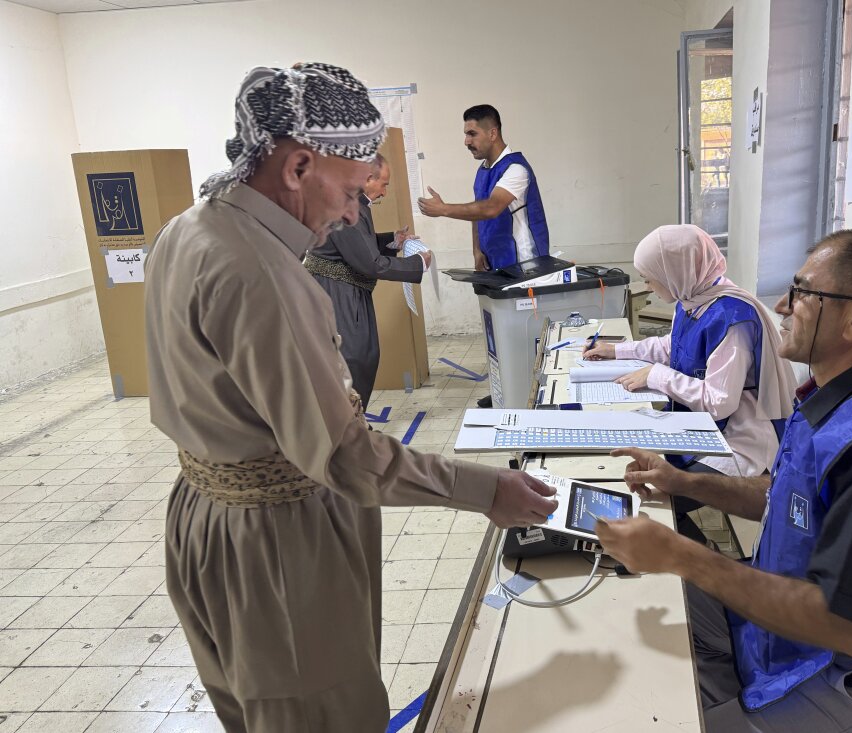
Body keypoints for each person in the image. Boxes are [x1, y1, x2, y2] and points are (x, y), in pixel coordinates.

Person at [144, 63, 557, 733]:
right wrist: (488, 491)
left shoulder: (189, 228)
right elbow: (346, 456)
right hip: (277, 547)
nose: (352, 211)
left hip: (204, 521)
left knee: (258, 711)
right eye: (350, 188)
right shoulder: (262, 275)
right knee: (324, 713)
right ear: (298, 166)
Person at [594, 229, 852, 733]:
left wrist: (682, 554)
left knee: (678, 710)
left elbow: (845, 623)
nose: (782, 304)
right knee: (649, 603)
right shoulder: (838, 397)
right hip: (796, 622)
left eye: (803, 293)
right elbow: (788, 498)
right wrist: (682, 483)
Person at [582, 224, 796, 541]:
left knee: (654, 493)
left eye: (651, 276)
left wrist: (656, 375)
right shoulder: (694, 297)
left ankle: (694, 558)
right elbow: (675, 346)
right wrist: (617, 349)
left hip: (739, 443)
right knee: (644, 477)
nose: (647, 284)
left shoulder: (730, 318)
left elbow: (720, 401)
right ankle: (688, 549)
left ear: (674, 272)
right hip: (707, 428)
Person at [304, 153, 432, 407]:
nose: (384, 192)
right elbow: (369, 263)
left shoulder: (353, 201)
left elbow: (358, 244)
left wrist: (392, 240)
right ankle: (348, 425)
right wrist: (418, 263)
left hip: (344, 289)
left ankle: (352, 421)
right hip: (337, 293)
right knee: (354, 359)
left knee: (362, 356)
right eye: (383, 184)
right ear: (367, 178)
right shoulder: (344, 207)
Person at [416, 104, 549, 271]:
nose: (466, 141)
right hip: (495, 265)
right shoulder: (484, 170)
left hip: (524, 267)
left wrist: (443, 209)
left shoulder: (516, 169)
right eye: (466, 135)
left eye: (472, 134)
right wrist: (476, 250)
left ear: (492, 133)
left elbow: (491, 208)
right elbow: (477, 210)